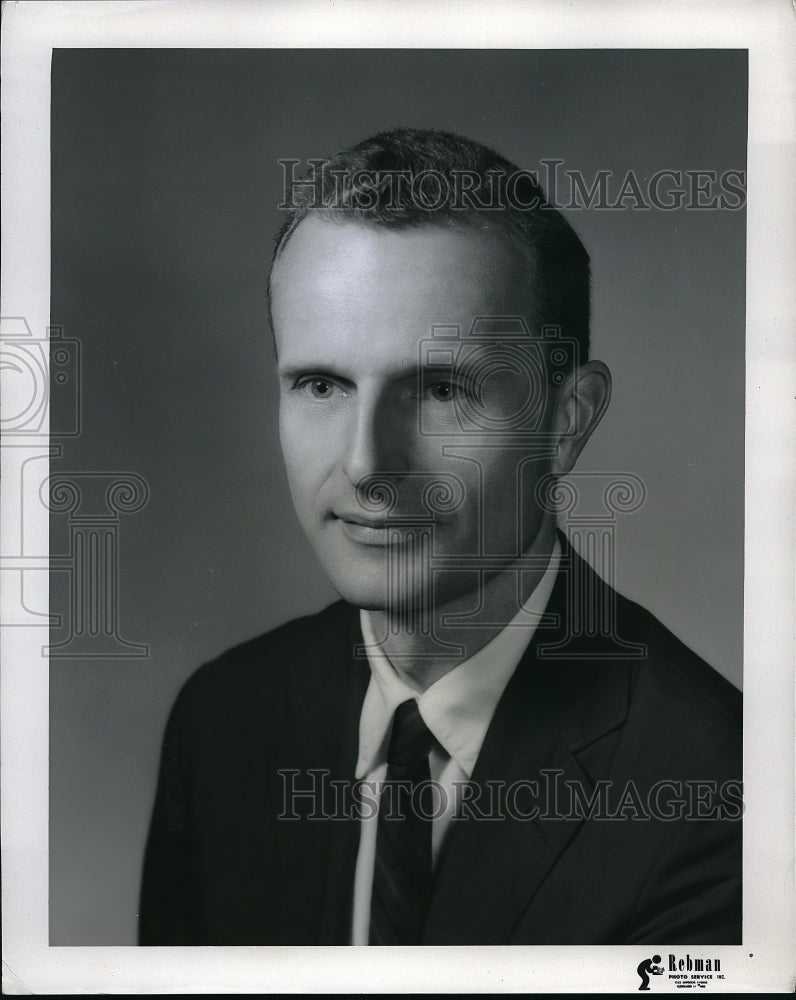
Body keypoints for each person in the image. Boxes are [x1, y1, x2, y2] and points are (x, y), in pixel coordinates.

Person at [139, 128, 742, 946]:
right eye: (322, 384)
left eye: (440, 389)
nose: (366, 465)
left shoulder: (718, 790)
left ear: (566, 422)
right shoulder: (222, 722)